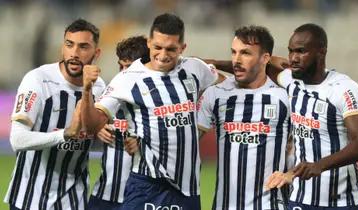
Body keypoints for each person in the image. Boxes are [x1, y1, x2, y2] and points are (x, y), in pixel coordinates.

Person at [81, 13, 225, 210]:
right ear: (149, 43)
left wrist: (261, 66)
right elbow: (91, 125)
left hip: (189, 189)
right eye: (157, 47)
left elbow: (224, 80)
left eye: (171, 49)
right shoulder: (128, 79)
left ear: (183, 48)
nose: (163, 55)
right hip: (147, 185)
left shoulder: (194, 68)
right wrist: (87, 89)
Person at [266, 23, 358, 210]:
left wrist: (319, 165)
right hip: (300, 199)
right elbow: (259, 65)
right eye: (290, 51)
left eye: (301, 51)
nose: (293, 58)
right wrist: (212, 65)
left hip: (341, 202)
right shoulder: (292, 81)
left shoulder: (344, 89)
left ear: (321, 52)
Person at [4, 19, 106, 210]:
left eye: (83, 47)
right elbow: (17, 139)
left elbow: (95, 143)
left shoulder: (99, 87)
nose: (74, 53)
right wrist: (65, 133)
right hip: (29, 199)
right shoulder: (38, 80)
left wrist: (108, 136)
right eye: (69, 45)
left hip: (73, 199)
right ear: (62, 47)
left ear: (96, 53)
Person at [198, 25, 291, 210]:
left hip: (270, 205)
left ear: (266, 58)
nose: (236, 60)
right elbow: (186, 141)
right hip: (224, 205)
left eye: (246, 53)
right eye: (234, 52)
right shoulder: (215, 94)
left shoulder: (285, 98)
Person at [88, 35, 149, 209]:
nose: (124, 73)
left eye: (129, 67)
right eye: (121, 66)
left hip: (140, 198)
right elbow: (85, 131)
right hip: (104, 196)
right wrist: (97, 128)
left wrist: (144, 143)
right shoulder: (109, 97)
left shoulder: (156, 103)